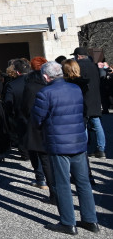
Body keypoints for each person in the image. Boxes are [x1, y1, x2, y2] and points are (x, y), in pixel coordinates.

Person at [32, 61, 100, 235]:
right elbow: (82, 111)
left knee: (62, 184)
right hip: (77, 140)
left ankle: (68, 222)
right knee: (83, 182)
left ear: (46, 77)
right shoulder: (75, 89)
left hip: (58, 143)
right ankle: (90, 219)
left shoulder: (45, 93)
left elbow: (37, 120)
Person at [20, 57, 53, 193]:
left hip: (34, 124)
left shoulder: (30, 87)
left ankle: (41, 179)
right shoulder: (50, 85)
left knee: (37, 154)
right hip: (49, 124)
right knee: (47, 157)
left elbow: (26, 107)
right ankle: (53, 187)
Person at [73, 47, 105, 158]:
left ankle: (84, 149)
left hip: (83, 98)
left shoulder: (78, 66)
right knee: (97, 124)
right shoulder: (94, 66)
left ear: (78, 56)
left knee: (84, 125)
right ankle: (101, 149)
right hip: (95, 98)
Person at [3, 58, 31, 160]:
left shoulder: (12, 85)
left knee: (22, 134)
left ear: (17, 72)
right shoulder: (36, 81)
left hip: (19, 114)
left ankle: (25, 154)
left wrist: (10, 113)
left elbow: (8, 102)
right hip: (35, 113)